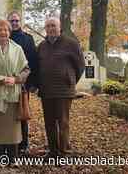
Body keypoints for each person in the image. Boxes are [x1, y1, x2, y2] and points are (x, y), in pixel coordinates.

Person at [37, 17, 85, 158]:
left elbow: (80, 66)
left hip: (64, 90)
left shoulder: (71, 44)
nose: (51, 28)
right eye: (48, 26)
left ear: (59, 27)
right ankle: (53, 152)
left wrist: (70, 79)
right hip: (46, 91)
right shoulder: (41, 46)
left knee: (63, 122)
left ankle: (64, 152)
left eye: (53, 25)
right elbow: (37, 67)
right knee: (49, 123)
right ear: (45, 29)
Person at [0, 19, 30, 166]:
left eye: (6, 30)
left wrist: (16, 79)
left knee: (13, 130)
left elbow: (26, 69)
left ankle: (13, 158)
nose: (3, 32)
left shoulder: (17, 49)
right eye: (0, 29)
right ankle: (0, 158)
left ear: (9, 32)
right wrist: (1, 79)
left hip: (13, 93)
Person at [7, 11, 38, 156]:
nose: (14, 23)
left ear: (20, 22)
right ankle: (6, 144)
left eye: (16, 21)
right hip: (5, 83)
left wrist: (31, 83)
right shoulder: (2, 37)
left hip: (23, 83)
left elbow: (33, 62)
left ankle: (23, 144)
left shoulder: (28, 38)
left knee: (22, 114)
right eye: (11, 21)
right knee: (6, 115)